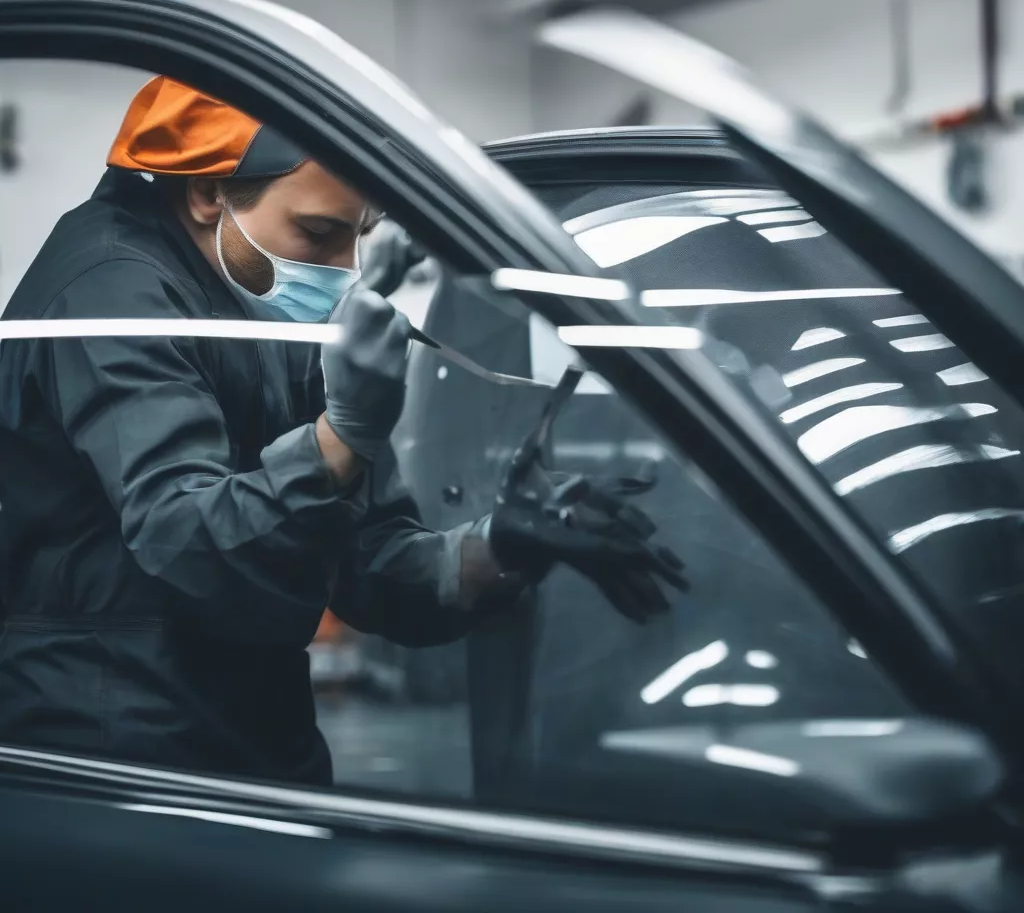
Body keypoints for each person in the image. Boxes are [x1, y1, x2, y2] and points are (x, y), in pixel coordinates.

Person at [0, 77, 682, 785]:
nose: (344, 272)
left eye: (360, 236)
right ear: (209, 192)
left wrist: (496, 544)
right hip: (113, 758)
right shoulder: (112, 287)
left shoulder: (263, 307)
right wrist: (341, 438)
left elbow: (367, 564)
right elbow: (187, 540)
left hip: (256, 744)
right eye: (319, 233)